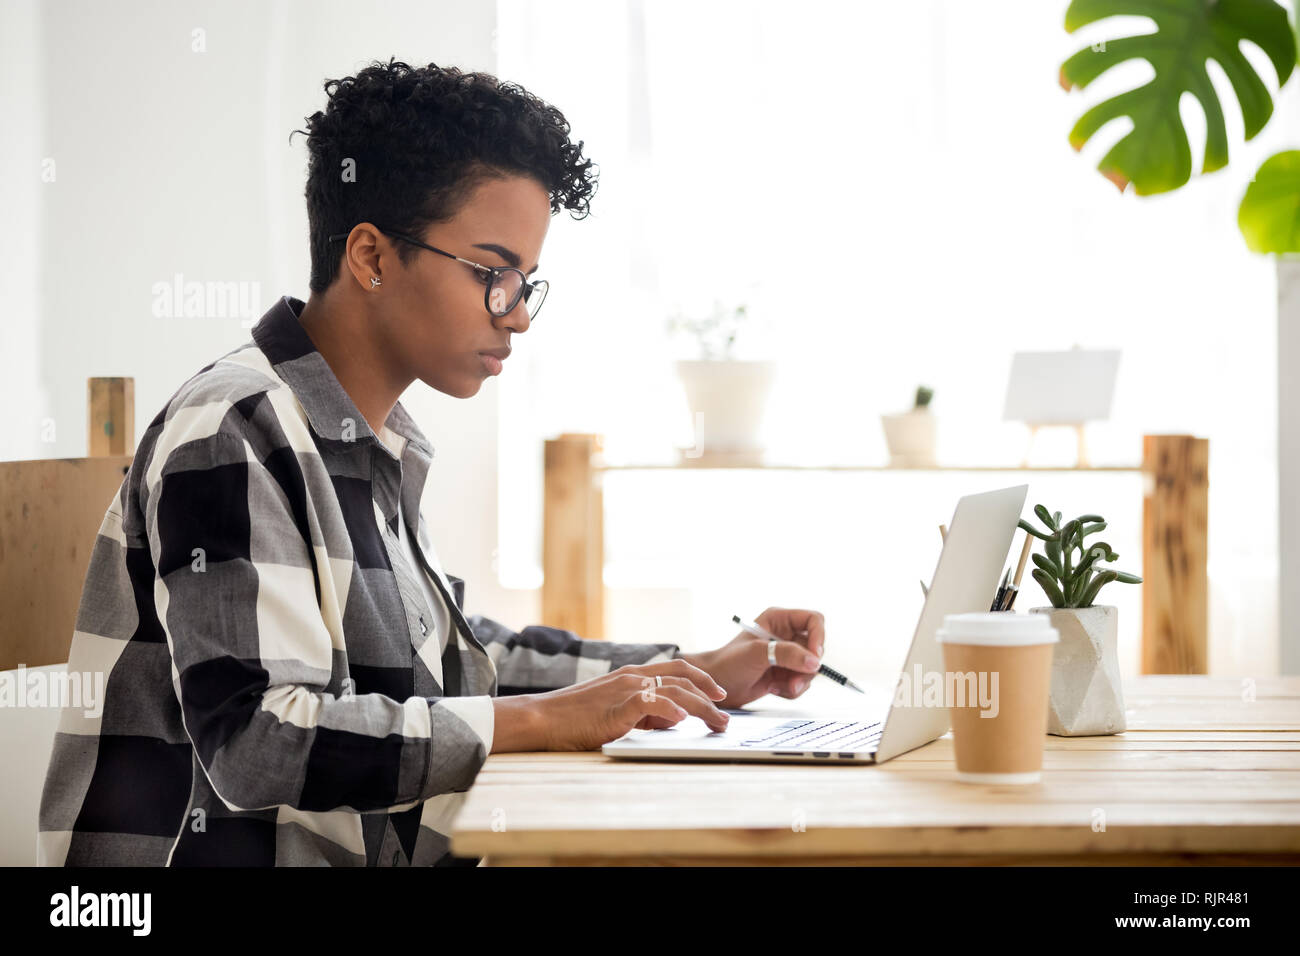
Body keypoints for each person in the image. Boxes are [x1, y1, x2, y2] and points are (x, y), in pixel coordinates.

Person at [38, 58, 826, 867]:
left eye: (526, 281)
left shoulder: (369, 439)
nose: (517, 316)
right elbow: (257, 741)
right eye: (493, 274)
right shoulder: (234, 424)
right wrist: (549, 718)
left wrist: (685, 671)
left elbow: (454, 662)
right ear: (372, 257)